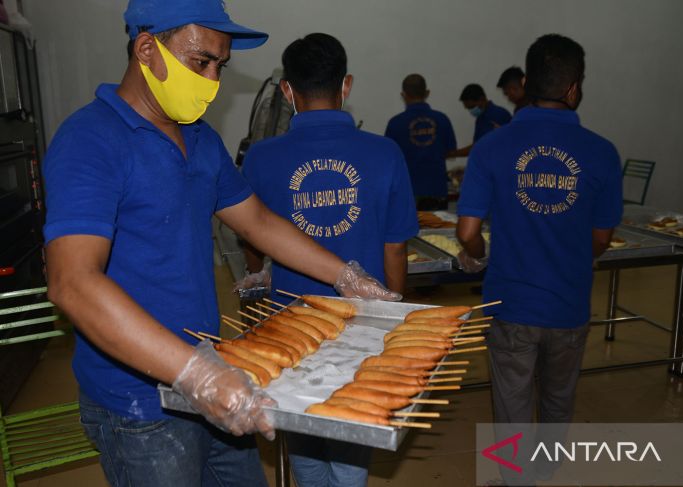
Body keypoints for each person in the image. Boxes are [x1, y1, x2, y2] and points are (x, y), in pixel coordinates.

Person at [42, 2, 399, 486]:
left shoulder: (201, 140)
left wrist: (344, 275)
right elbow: (73, 284)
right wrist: (194, 375)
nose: (213, 79)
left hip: (217, 377)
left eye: (220, 65)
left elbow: (258, 222)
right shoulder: (90, 140)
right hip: (141, 406)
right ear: (147, 49)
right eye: (200, 62)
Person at [242, 33, 419, 487]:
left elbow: (252, 236)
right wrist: (395, 313)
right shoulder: (384, 152)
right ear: (347, 86)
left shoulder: (260, 157)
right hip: (365, 323)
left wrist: (259, 267)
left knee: (301, 427)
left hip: (290, 322)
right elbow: (395, 246)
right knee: (352, 428)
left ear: (287, 91)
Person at [455, 34, 622, 484]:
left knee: (510, 401)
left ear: (526, 82)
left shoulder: (492, 147)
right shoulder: (602, 152)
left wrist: (478, 258)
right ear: (574, 89)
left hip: (510, 302)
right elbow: (602, 238)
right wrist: (568, 257)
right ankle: (544, 471)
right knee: (557, 396)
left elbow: (467, 232)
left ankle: (514, 480)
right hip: (568, 304)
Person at [385, 74, 456, 211]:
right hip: (437, 191)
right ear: (427, 93)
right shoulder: (442, 120)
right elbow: (450, 151)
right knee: (438, 230)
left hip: (407, 193)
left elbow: (389, 160)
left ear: (403, 95)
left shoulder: (395, 124)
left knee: (409, 232)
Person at [448, 83, 511, 158]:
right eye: (468, 109)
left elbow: (481, 146)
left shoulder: (496, 115)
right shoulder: (481, 117)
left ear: (482, 99)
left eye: (472, 107)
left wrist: (454, 153)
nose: (471, 111)